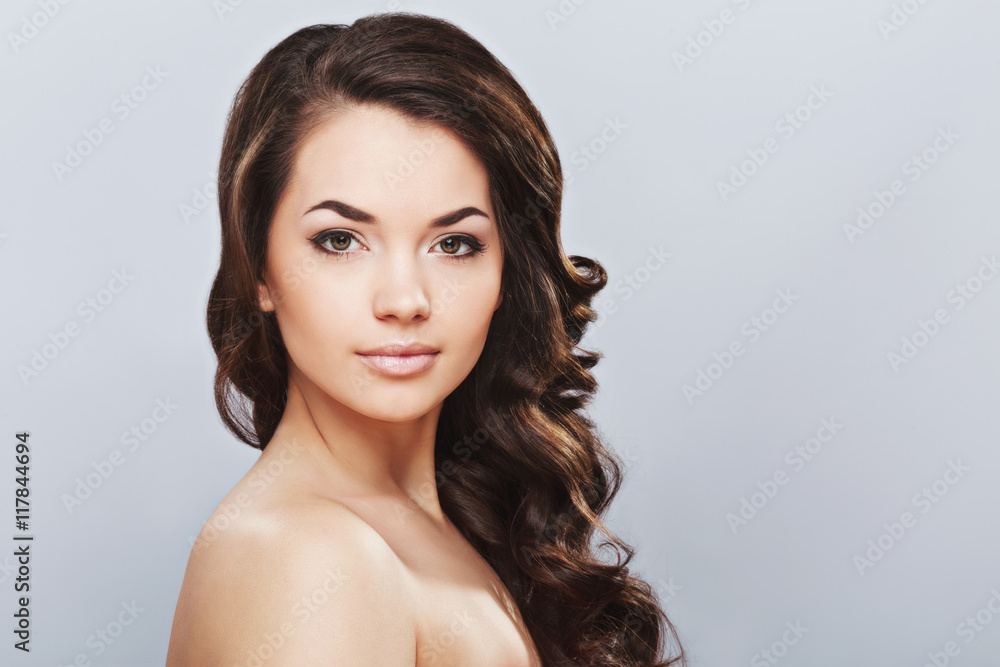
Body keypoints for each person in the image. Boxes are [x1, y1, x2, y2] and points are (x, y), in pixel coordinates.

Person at [166, 12, 685, 666]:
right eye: (340, 240)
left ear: (505, 271)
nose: (405, 300)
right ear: (260, 267)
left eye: (454, 244)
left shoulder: (448, 525)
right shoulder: (308, 556)